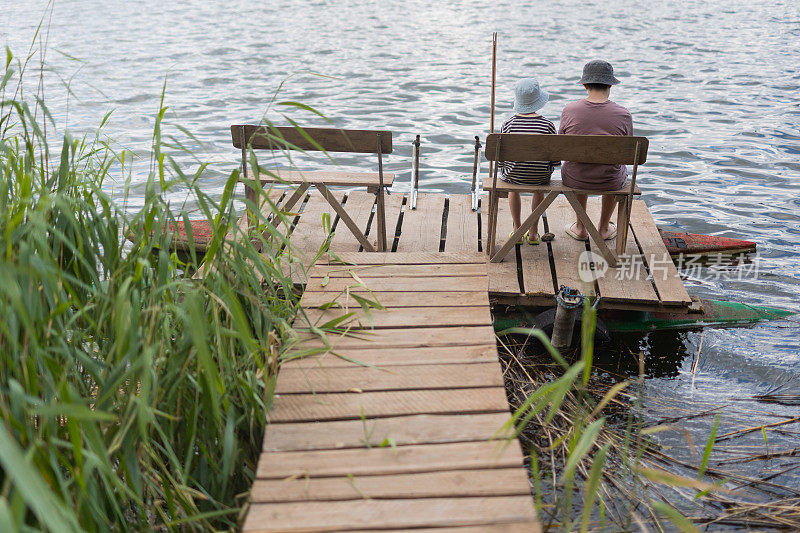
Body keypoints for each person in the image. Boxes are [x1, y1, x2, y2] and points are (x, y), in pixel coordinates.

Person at [559, 60, 633, 241]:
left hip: (575, 178)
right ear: (610, 84)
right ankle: (604, 227)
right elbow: (629, 152)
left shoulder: (569, 110)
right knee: (615, 167)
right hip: (610, 180)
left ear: (585, 85)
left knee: (577, 164)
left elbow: (560, 146)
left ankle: (580, 226)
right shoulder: (623, 114)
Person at [498, 78, 559, 244]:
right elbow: (554, 160)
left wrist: (506, 169)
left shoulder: (508, 124)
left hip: (513, 176)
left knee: (513, 188)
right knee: (538, 189)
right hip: (540, 177)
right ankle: (533, 233)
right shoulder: (547, 125)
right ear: (538, 101)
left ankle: (517, 230)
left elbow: (501, 160)